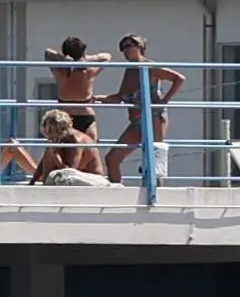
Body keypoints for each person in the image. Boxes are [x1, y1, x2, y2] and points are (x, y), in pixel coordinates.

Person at [103, 33, 186, 188]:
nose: (125, 50)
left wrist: (163, 101)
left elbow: (179, 78)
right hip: (135, 121)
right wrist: (97, 98)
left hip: (153, 117)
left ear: (140, 46)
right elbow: (120, 96)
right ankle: (117, 191)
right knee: (112, 159)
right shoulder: (129, 70)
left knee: (153, 162)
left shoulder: (150, 67)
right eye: (123, 47)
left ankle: (157, 196)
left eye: (129, 45)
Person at [45, 37, 99, 137]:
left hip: (64, 117)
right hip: (85, 116)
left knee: (61, 151)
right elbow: (107, 57)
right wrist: (83, 59)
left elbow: (48, 53)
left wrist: (66, 59)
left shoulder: (59, 72)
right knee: (91, 151)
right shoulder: (89, 71)